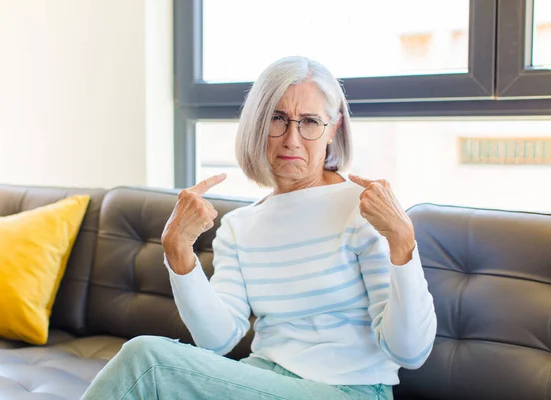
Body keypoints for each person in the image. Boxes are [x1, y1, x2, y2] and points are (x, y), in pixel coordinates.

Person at [81, 56, 437, 400]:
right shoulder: (239, 227)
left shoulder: (363, 208)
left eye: (310, 122)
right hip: (263, 379)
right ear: (257, 124)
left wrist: (402, 242)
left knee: (147, 362)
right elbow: (217, 340)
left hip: (350, 390)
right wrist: (177, 251)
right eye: (277, 119)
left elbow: (410, 353)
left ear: (334, 129)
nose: (291, 140)